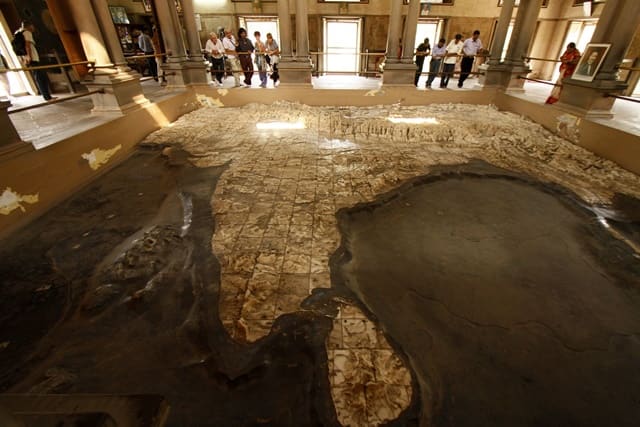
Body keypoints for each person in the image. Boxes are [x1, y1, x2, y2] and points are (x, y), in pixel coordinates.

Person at [15, 21, 54, 101]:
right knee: (40, 78)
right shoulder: (27, 33)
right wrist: (29, 57)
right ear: (29, 26)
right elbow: (27, 45)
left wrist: (24, 59)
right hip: (33, 59)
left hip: (28, 58)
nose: (33, 28)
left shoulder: (19, 33)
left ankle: (47, 96)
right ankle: (47, 97)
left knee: (39, 77)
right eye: (32, 26)